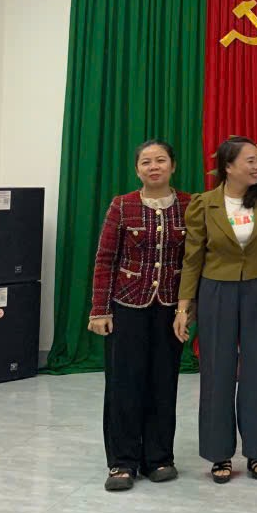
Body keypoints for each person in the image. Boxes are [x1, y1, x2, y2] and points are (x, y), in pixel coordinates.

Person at [175, 136, 257, 484]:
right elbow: (192, 258)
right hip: (216, 291)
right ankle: (219, 453)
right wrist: (184, 306)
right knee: (217, 371)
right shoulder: (204, 204)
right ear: (228, 167)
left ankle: (256, 450)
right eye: (250, 161)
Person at [88, 139, 193, 492]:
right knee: (124, 384)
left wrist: (188, 308)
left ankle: (159, 458)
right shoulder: (122, 206)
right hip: (127, 306)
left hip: (170, 309)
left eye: (161, 160)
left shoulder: (189, 205)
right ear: (137, 170)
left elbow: (194, 260)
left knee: (163, 382)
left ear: (173, 166)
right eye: (146, 162)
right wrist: (100, 310)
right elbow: (105, 259)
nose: (154, 167)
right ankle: (122, 462)